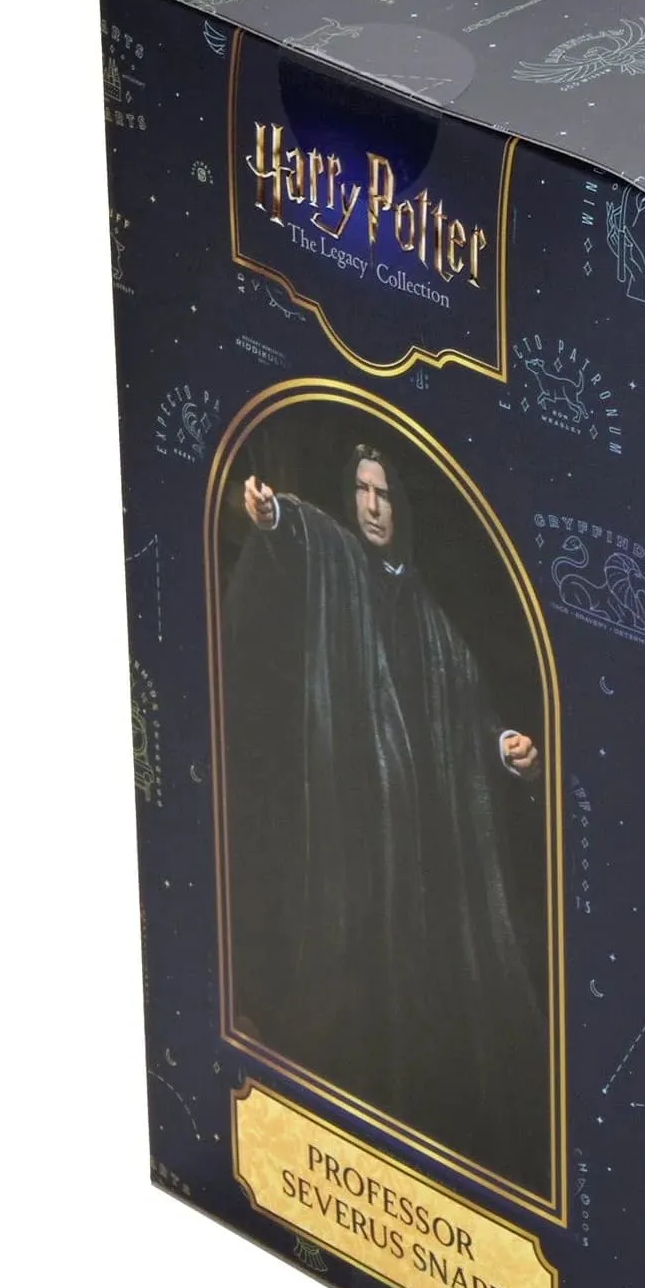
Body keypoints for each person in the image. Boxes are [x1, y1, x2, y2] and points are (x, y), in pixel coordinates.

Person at [221, 442, 549, 1193]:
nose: (371, 507)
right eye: (362, 491)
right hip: (356, 839)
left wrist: (502, 747)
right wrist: (276, 519)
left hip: (424, 850)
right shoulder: (342, 571)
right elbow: (310, 542)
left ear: (401, 506)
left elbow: (461, 707)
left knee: (432, 999)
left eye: (384, 494)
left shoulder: (426, 612)